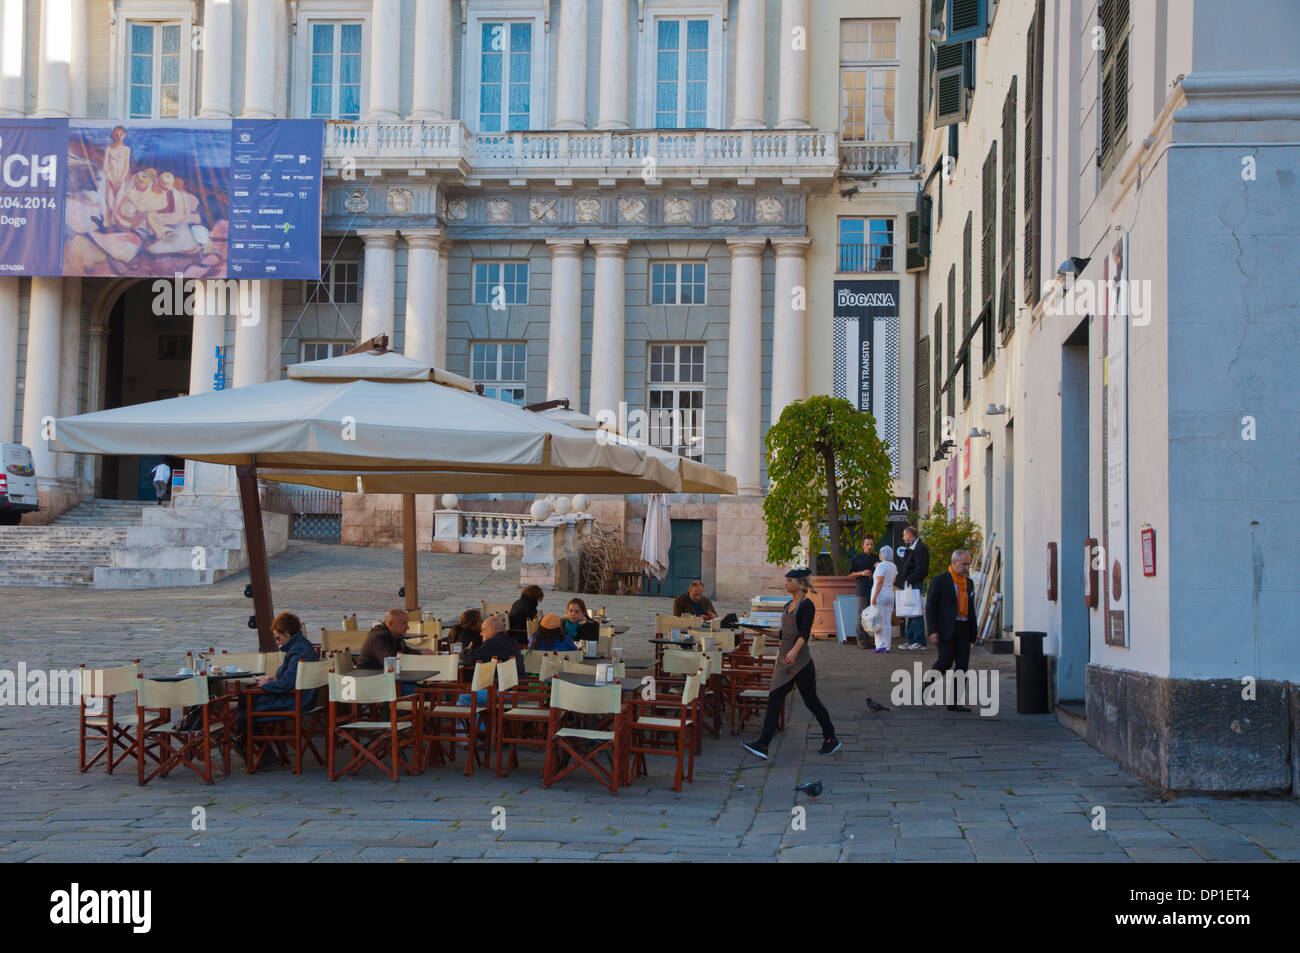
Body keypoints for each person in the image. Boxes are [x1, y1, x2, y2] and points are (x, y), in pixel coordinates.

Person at [741, 568, 840, 760]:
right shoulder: (787, 606)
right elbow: (782, 634)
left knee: (812, 702)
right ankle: (763, 744)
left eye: (789, 580)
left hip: (801, 663)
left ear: (800, 583)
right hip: (784, 662)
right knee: (774, 699)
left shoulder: (807, 606)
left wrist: (794, 652)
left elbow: (804, 634)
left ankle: (831, 738)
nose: (786, 583)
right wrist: (756, 629)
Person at [233, 612, 319, 738]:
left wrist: (266, 684)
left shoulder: (298, 651)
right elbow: (292, 676)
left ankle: (262, 751)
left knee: (244, 715)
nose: (277, 642)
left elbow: (288, 683)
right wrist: (273, 678)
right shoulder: (301, 646)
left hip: (297, 700)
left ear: (287, 634)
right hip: (300, 696)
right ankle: (246, 740)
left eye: (278, 638)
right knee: (245, 699)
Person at [926, 549, 980, 712]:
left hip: (964, 628)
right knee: (945, 662)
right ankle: (926, 686)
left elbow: (971, 609)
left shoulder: (968, 583)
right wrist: (933, 630)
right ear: (953, 562)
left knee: (962, 665)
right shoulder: (940, 581)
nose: (966, 568)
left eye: (968, 565)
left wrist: (973, 632)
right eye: (964, 564)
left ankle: (954, 701)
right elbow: (930, 607)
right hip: (946, 629)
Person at [357, 609, 432, 671]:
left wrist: (420, 653)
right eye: (404, 623)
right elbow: (391, 663)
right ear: (391, 624)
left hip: (388, 679)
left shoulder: (395, 635)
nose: (408, 627)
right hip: (371, 683)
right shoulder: (378, 638)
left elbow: (406, 651)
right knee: (419, 687)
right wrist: (420, 655)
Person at [897, 525, 930, 650]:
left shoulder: (920, 548)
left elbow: (922, 569)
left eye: (904, 535)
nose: (903, 537)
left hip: (914, 583)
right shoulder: (911, 547)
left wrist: (910, 579)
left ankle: (920, 641)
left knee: (915, 612)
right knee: (909, 612)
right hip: (910, 583)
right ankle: (911, 640)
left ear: (910, 535)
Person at [848, 535, 880, 647]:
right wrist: (861, 573)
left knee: (872, 615)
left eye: (871, 544)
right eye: (867, 544)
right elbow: (850, 574)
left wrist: (878, 568)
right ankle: (861, 640)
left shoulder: (877, 558)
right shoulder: (856, 558)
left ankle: (869, 639)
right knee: (862, 614)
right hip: (861, 590)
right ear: (863, 545)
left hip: (874, 591)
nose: (870, 546)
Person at [473, 614, 525, 679]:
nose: (481, 633)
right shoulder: (512, 641)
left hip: (503, 686)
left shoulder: (492, 642)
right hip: (519, 684)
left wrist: (467, 651)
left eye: (483, 630)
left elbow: (473, 659)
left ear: (492, 629)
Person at [869, 545, 898, 653]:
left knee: (878, 620)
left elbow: (879, 582)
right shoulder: (893, 566)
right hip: (890, 594)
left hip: (881, 595)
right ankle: (887, 646)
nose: (879, 555)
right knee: (887, 621)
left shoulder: (881, 566)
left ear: (883, 554)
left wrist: (875, 596)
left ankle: (880, 645)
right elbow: (893, 580)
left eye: (880, 553)